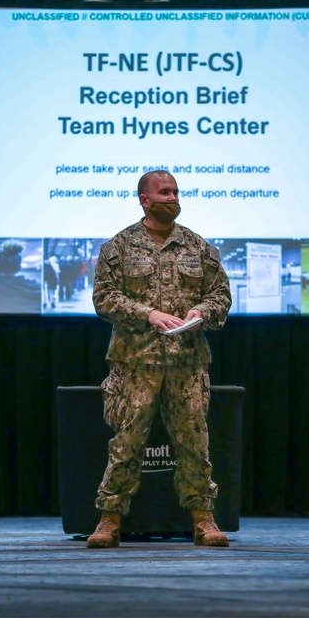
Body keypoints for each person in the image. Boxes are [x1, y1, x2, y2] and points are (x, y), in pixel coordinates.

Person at [86, 170, 232, 549]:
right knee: (127, 442)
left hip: (187, 362)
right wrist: (147, 313)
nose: (172, 197)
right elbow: (104, 299)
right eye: (164, 192)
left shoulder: (198, 246)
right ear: (144, 200)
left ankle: (204, 519)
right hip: (136, 362)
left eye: (176, 192)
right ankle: (109, 519)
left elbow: (221, 295)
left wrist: (202, 311)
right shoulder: (118, 247)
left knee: (194, 443)